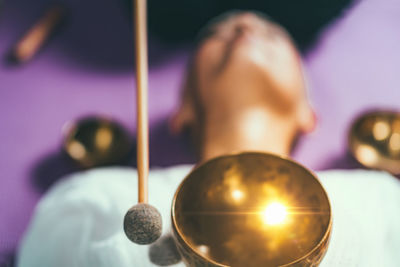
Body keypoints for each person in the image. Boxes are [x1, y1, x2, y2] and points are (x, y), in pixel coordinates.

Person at [18, 11, 400, 267]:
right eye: (219, 33)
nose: (244, 27)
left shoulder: (381, 197)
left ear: (308, 114)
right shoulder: (92, 195)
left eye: (269, 33)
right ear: (181, 110)